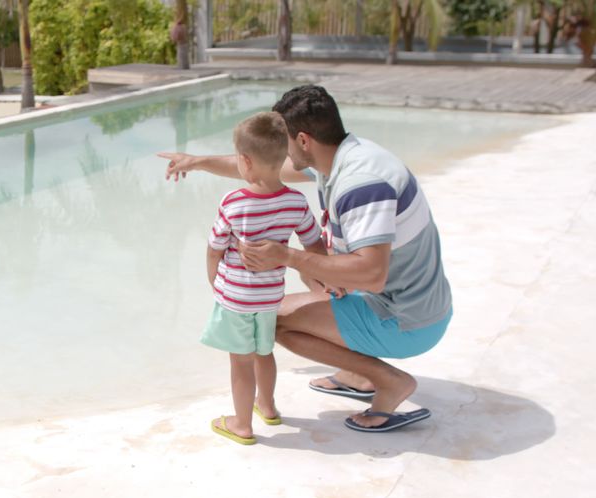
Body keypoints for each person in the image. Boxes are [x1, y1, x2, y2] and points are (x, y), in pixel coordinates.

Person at [160, 85, 452, 433]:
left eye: (282, 139)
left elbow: (372, 274)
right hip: (405, 300)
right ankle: (358, 374)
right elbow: (262, 170)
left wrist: (287, 256)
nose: (278, 151)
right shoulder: (342, 157)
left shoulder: (361, 184)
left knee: (275, 318)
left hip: (407, 319)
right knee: (302, 285)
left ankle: (387, 380)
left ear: (301, 141)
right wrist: (198, 162)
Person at [202, 112, 325, 445]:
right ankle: (267, 407)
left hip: (237, 298)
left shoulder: (234, 203)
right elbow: (312, 241)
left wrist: (214, 280)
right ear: (284, 156)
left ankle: (241, 424)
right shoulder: (296, 202)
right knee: (263, 351)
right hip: (270, 297)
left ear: (244, 161)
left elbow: (215, 248)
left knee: (240, 362)